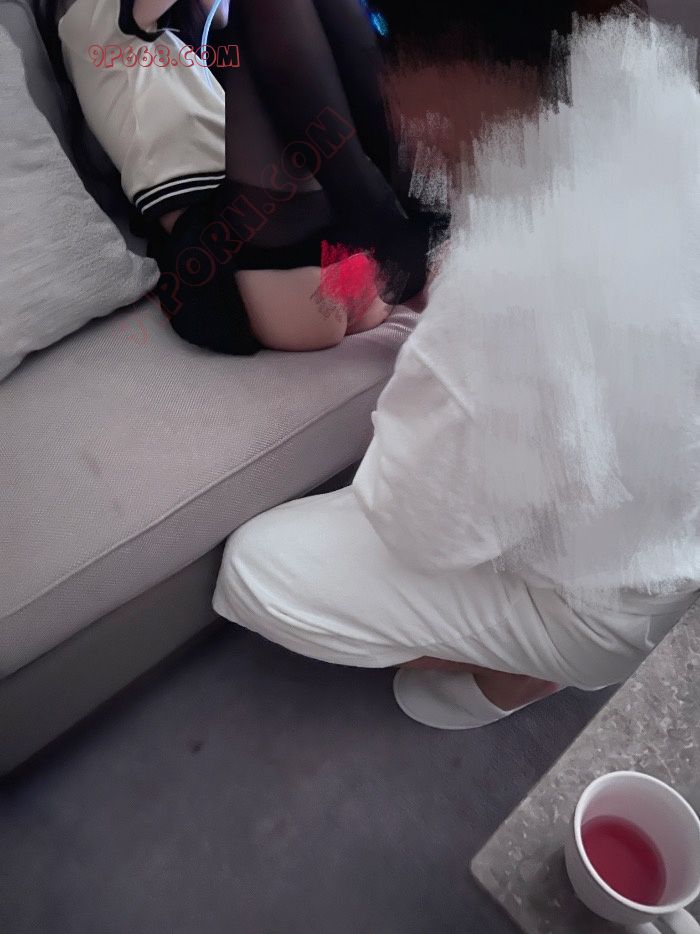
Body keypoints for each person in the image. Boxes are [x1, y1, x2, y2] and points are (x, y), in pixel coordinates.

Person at [212, 6, 700, 728]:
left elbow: (422, 528)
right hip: (673, 534)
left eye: (393, 62)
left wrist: (443, 373)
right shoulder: (657, 80)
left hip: (606, 601)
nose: (399, 113)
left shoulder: (500, 294)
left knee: (256, 568)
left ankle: (524, 666)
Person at [39, 0, 440, 354]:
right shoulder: (85, 20)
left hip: (330, 258)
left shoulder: (185, 39)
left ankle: (407, 208)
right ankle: (390, 216)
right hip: (241, 259)